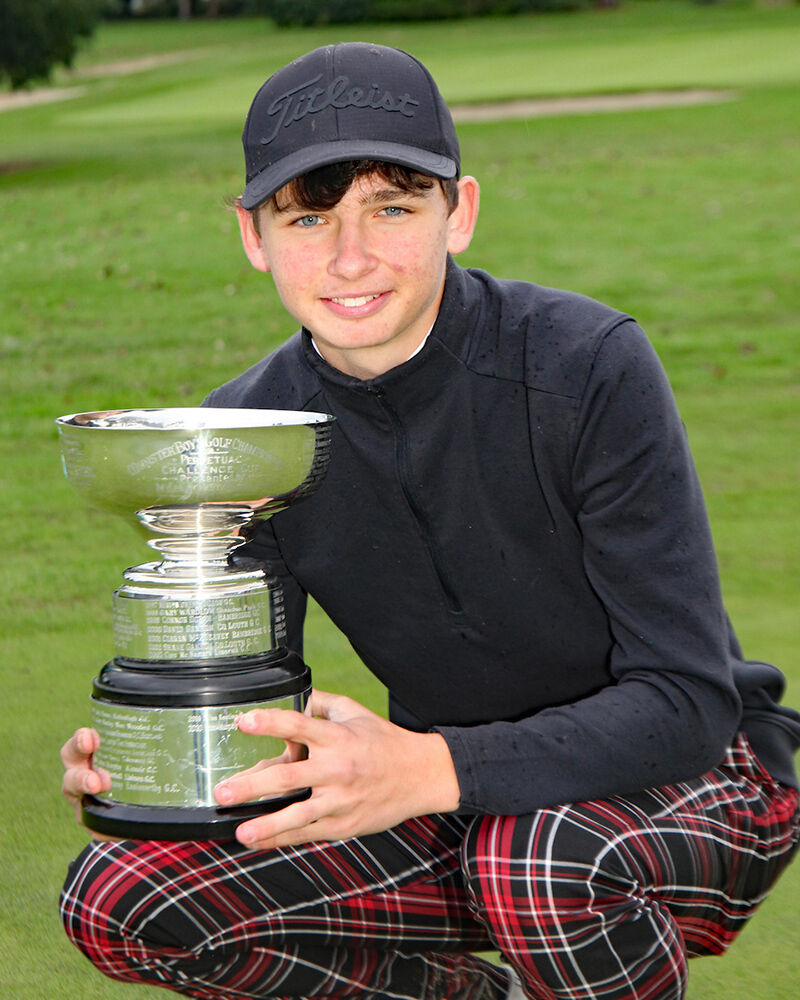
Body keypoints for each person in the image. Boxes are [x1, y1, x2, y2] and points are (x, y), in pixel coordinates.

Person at [60, 42, 800, 1000]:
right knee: (124, 896)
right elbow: (265, 719)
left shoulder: (587, 363)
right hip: (451, 800)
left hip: (704, 781)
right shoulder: (250, 432)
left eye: (394, 208)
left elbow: (687, 700)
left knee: (534, 857)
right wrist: (162, 765)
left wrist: (430, 768)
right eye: (309, 217)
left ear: (461, 213)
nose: (350, 257)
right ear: (252, 235)